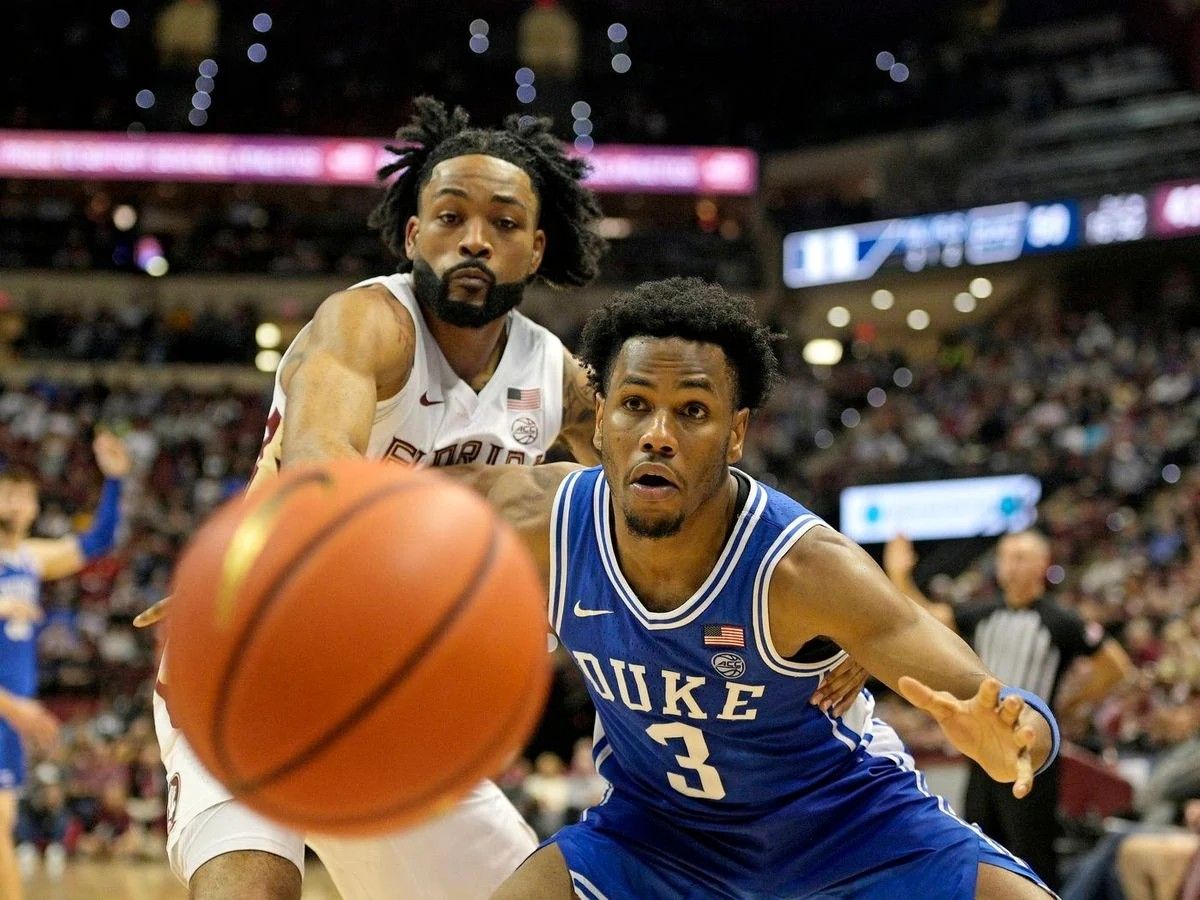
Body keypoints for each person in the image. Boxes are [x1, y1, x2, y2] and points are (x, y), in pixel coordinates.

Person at [136, 100, 866, 899]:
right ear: (413, 236)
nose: (475, 238)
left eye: (504, 222)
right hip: (259, 656)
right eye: (449, 216)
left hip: (394, 695)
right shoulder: (367, 325)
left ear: (536, 247)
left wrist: (832, 612)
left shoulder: (552, 375)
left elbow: (687, 505)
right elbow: (320, 472)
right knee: (252, 887)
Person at [446, 277, 1060, 898]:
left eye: (692, 411)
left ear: (736, 433)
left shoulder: (803, 569)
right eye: (634, 404)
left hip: (847, 832)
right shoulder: (538, 522)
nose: (658, 434)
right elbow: (371, 499)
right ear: (600, 418)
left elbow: (988, 698)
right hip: (656, 840)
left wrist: (1016, 739)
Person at [885, 532, 1133, 890]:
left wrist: (1070, 704)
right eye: (1004, 557)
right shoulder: (983, 612)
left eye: (1020, 557)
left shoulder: (1060, 620)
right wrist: (900, 576)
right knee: (978, 846)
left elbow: (1116, 666)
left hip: (1030, 754)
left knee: (1032, 853)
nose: (1009, 566)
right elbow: (922, 618)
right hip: (982, 754)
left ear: (1042, 565)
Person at [0, 431, 130, 899]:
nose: (15, 503)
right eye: (7, 493)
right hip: (7, 709)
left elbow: (95, 542)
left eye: (23, 496)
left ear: (35, 508)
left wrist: (114, 481)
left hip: (12, 713)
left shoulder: (30, 558)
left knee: (5, 823)